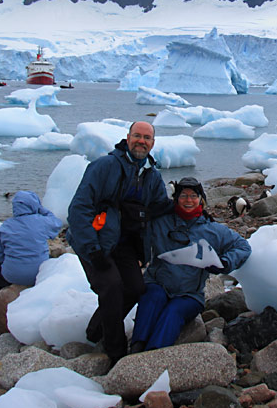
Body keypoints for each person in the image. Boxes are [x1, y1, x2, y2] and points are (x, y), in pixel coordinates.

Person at [67, 121, 172, 363]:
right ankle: (115, 354)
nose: (141, 141)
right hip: (96, 241)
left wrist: (189, 209)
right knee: (111, 286)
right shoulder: (105, 166)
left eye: (146, 138)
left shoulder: (151, 176)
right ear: (127, 137)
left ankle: (96, 330)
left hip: (124, 243)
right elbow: (79, 208)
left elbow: (158, 207)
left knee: (136, 288)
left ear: (152, 143)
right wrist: (92, 249)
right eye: (137, 136)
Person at [129, 177, 251, 353]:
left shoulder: (212, 230)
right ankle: (136, 347)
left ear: (201, 199)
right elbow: (136, 228)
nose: (188, 200)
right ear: (176, 198)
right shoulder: (160, 222)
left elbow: (242, 246)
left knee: (173, 311)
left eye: (193, 195)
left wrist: (224, 263)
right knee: (152, 298)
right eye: (183, 195)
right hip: (158, 283)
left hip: (189, 295)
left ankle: (153, 354)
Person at [0, 191, 62, 316]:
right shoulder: (42, 222)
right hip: (39, 272)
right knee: (52, 261)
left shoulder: (6, 226)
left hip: (12, 275)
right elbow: (57, 223)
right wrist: (41, 209)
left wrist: (10, 260)